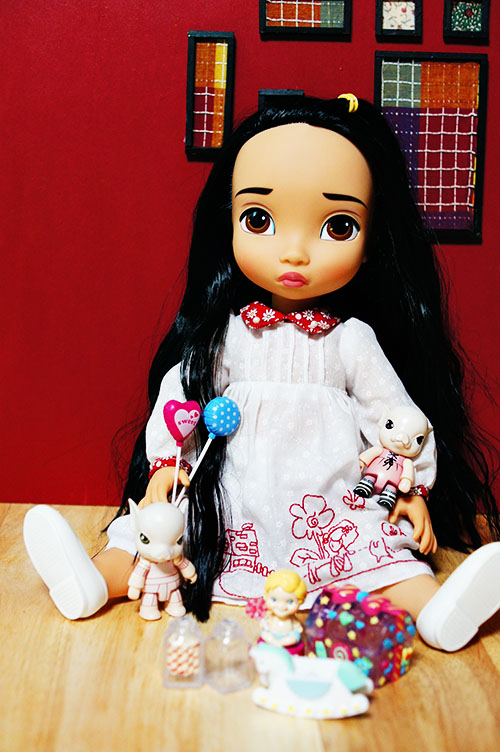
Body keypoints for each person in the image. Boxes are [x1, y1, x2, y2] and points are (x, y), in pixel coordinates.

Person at [24, 95, 500, 651]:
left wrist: (408, 488)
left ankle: (436, 611)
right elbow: (183, 397)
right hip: (232, 491)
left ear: (372, 241)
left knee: (376, 544)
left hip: (325, 499)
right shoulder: (228, 335)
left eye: (338, 225)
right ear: (228, 223)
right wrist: (167, 465)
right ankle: (92, 581)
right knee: (161, 531)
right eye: (260, 219)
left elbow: (395, 417)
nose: (294, 252)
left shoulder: (351, 340)